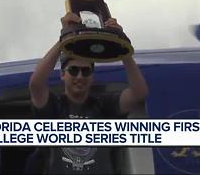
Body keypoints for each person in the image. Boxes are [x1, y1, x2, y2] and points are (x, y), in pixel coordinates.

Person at [25, 12, 149, 174]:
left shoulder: (104, 106)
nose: (80, 76)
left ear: (92, 76)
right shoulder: (54, 107)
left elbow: (139, 92)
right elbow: (36, 84)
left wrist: (121, 45)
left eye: (86, 71)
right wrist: (65, 37)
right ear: (63, 75)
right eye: (73, 70)